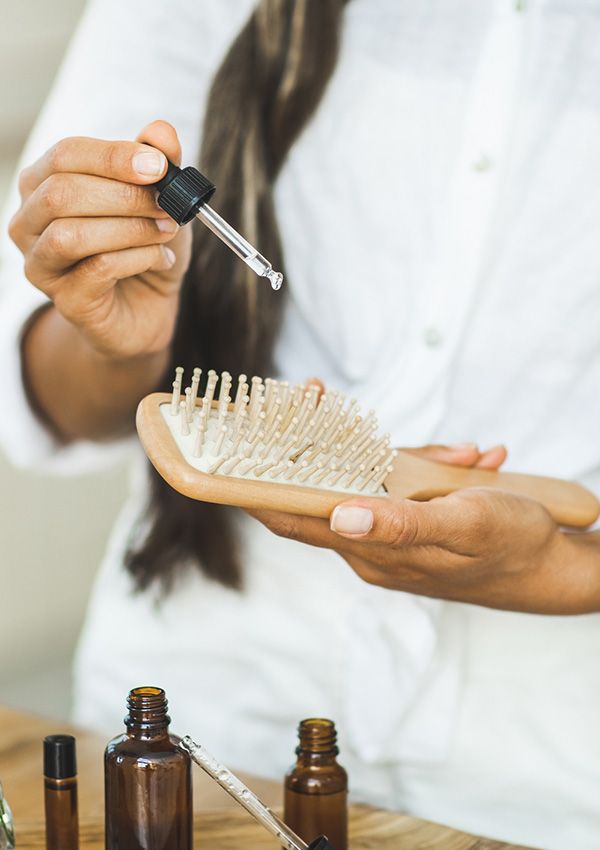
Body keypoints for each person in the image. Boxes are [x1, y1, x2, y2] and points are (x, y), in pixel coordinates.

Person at [1, 2, 600, 848]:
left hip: (552, 780)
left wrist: (574, 574)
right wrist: (115, 339)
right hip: (213, 725)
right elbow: (47, 394)